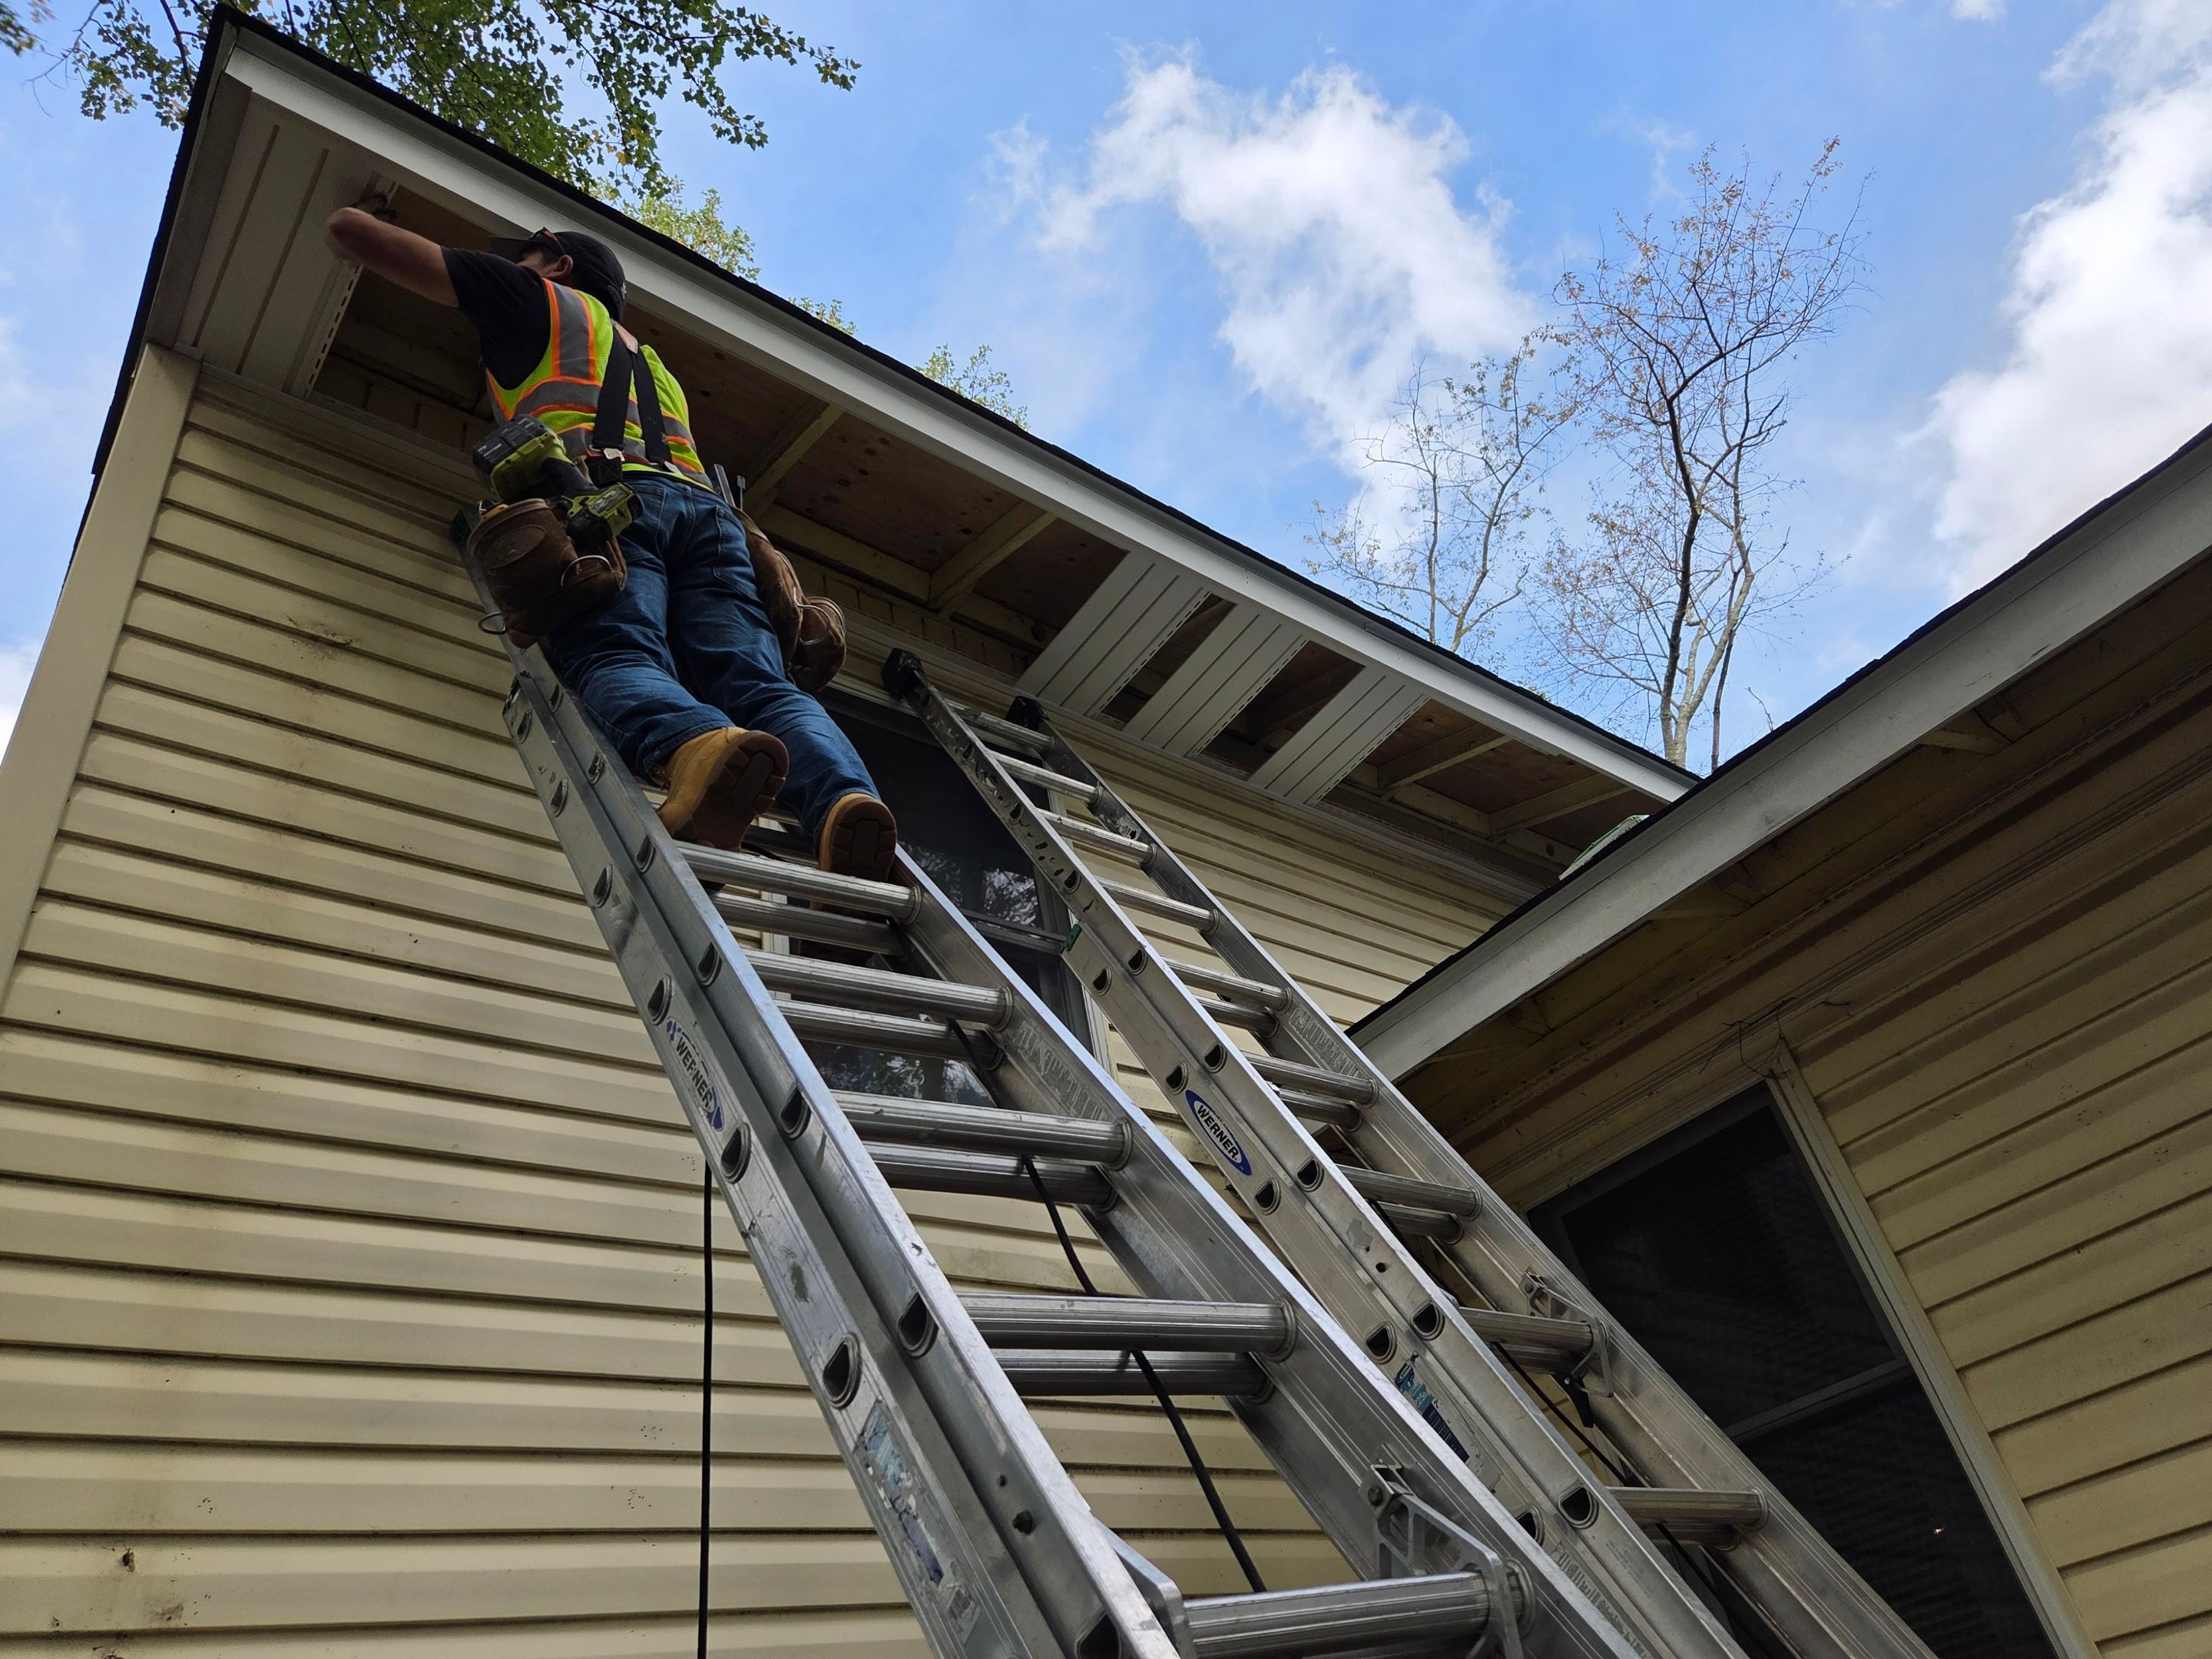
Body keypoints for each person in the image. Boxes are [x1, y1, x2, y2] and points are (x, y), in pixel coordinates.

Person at [323, 204, 898, 882]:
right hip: (710, 519)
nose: (516, 266)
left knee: (615, 654)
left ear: (559, 265)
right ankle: (844, 802)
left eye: (525, 256)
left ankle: (697, 747)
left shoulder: (540, 299)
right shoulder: (653, 365)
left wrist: (385, 219)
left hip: (607, 503)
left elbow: (348, 231)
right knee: (759, 686)